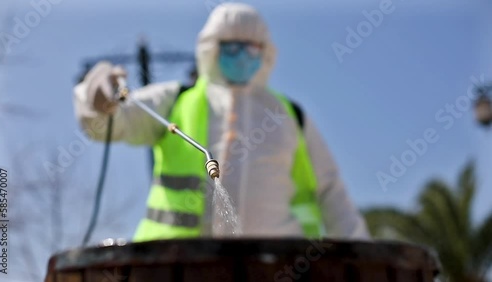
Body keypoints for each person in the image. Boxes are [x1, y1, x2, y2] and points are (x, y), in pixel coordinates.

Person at [74, 3, 370, 241]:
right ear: (212, 50)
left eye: (252, 48)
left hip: (278, 267)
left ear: (265, 53)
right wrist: (97, 99)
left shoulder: (289, 115)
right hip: (175, 267)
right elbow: (111, 123)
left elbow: (332, 192)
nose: (242, 56)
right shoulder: (177, 99)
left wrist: (364, 260)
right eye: (231, 47)